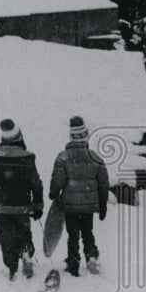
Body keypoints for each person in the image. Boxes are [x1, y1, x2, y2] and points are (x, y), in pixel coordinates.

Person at [0, 119, 43, 280]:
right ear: (20, 137)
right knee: (24, 233)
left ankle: (12, 265)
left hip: (1, 207)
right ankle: (26, 254)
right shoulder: (28, 158)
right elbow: (36, 184)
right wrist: (38, 206)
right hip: (22, 206)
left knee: (6, 237)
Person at [46, 116, 109, 278]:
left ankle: (73, 262)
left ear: (71, 136)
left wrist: (53, 193)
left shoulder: (63, 157)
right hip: (88, 205)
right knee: (88, 231)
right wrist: (103, 206)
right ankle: (91, 256)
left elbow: (57, 181)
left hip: (70, 205)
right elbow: (103, 184)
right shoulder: (96, 157)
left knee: (72, 234)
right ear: (86, 134)